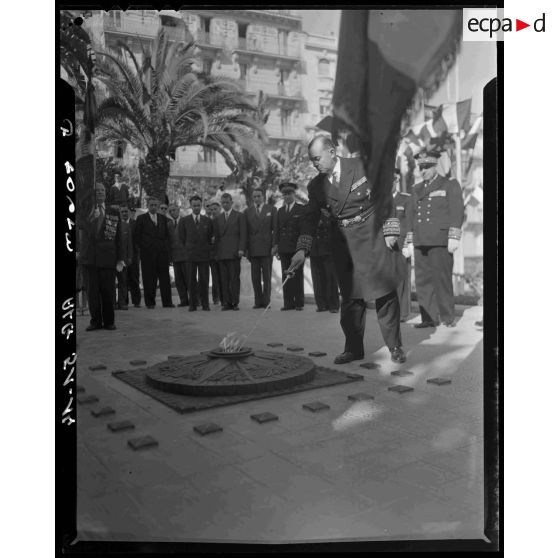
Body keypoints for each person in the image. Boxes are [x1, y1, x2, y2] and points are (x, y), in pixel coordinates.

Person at [289, 136, 407, 364]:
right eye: (312, 160)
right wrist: (302, 249)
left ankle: (395, 346)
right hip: (343, 243)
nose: (315, 164)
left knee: (384, 293)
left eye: (317, 158)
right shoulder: (316, 186)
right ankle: (353, 349)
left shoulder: (362, 166)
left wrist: (391, 229)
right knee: (351, 298)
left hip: (371, 236)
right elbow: (310, 218)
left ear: (332, 152)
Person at [407, 149, 465, 328]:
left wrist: (454, 236)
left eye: (426, 167)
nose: (423, 171)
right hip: (421, 241)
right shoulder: (416, 189)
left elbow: (457, 211)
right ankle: (429, 318)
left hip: (440, 241)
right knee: (423, 282)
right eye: (420, 167)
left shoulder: (449, 185)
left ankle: (448, 317)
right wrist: (409, 240)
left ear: (434, 166)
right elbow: (410, 215)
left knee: (442, 280)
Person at [79, 183, 124, 331]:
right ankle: (95, 321)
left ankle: (109, 321)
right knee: (92, 292)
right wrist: (92, 218)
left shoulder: (113, 212)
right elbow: (82, 231)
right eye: (97, 190)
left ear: (106, 193)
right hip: (90, 259)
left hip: (108, 259)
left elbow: (118, 237)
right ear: (92, 194)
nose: (100, 193)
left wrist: (120, 258)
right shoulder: (85, 211)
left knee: (108, 291)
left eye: (102, 190)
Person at [133, 196, 174, 309]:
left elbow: (167, 236)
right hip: (147, 254)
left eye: (156, 205)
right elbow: (137, 237)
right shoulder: (141, 218)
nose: (154, 207)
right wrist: (145, 247)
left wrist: (167, 252)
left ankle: (167, 302)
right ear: (148, 205)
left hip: (162, 254)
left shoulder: (163, 218)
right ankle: (150, 303)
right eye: (151, 205)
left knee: (165, 278)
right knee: (148, 279)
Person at [179, 195, 213, 311]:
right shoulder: (184, 221)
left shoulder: (207, 221)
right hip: (190, 255)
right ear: (190, 206)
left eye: (198, 205)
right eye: (194, 205)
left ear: (201, 205)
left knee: (204, 280)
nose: (196, 207)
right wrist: (188, 249)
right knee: (191, 280)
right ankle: (192, 304)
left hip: (204, 255)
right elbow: (182, 238)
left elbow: (210, 238)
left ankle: (205, 304)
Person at [244, 187, 278, 309]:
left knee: (267, 277)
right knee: (255, 277)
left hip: (267, 248)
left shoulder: (272, 209)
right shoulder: (247, 212)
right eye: (255, 196)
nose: (257, 198)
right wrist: (246, 249)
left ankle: (266, 301)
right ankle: (258, 302)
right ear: (252, 198)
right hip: (253, 249)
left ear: (263, 196)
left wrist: (274, 245)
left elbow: (275, 229)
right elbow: (245, 232)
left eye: (259, 196)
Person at [274, 182, 306, 311]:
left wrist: (302, 248)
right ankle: (288, 303)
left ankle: (299, 303)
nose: (287, 196)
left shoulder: (300, 209)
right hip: (284, 248)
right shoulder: (280, 211)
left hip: (296, 248)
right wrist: (275, 245)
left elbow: (303, 229)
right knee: (285, 275)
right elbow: (277, 230)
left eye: (289, 194)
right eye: (284, 194)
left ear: (294, 194)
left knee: (297, 275)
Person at [214, 192, 247, 311]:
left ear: (231, 203)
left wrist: (241, 249)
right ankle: (226, 303)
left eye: (227, 202)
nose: (225, 204)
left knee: (234, 279)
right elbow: (217, 238)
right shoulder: (218, 218)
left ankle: (235, 302)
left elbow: (243, 234)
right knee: (224, 280)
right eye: (223, 202)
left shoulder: (239, 216)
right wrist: (216, 253)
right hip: (222, 253)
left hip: (234, 253)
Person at [392, 169, 413, 321]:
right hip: (384, 248)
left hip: (401, 246)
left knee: (402, 280)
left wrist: (408, 244)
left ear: (397, 180)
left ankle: (402, 313)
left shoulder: (405, 199)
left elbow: (410, 223)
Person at [309, 211, 340, 313]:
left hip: (328, 247)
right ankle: (321, 304)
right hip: (314, 248)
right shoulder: (310, 210)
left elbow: (335, 226)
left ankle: (333, 305)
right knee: (317, 278)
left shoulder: (330, 209)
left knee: (330, 277)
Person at [167, 203, 189, 307]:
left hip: (186, 255)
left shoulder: (186, 221)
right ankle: (184, 300)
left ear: (178, 210)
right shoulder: (169, 224)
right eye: (170, 211)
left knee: (189, 278)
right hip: (175, 256)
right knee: (179, 280)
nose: (172, 212)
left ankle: (195, 299)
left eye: (174, 210)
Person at [115, 205, 135, 310]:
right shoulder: (111, 225)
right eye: (121, 212)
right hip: (111, 259)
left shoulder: (127, 226)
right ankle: (113, 303)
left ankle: (122, 303)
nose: (123, 213)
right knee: (111, 283)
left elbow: (129, 243)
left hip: (123, 260)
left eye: (125, 211)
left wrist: (130, 257)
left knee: (123, 282)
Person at [206, 201, 223, 305]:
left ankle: (223, 297)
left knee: (223, 277)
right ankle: (215, 298)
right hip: (212, 254)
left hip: (222, 253)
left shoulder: (223, 220)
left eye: (215, 209)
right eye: (211, 209)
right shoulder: (208, 221)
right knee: (215, 277)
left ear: (219, 209)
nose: (213, 211)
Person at [128, 205, 142, 308]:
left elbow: (138, 240)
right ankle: (123, 302)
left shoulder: (135, 223)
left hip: (134, 255)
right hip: (122, 256)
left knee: (134, 278)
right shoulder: (119, 223)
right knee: (123, 280)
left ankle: (136, 301)